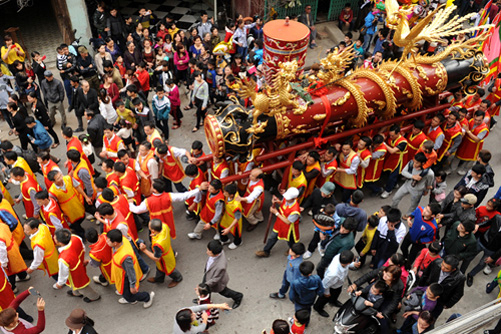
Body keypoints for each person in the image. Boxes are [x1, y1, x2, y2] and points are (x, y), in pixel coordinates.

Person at [106, 229, 154, 307]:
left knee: (129, 295)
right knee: (126, 292)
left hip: (125, 277)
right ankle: (127, 295)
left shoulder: (125, 257)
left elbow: (130, 272)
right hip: (121, 274)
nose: (106, 242)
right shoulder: (122, 239)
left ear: (115, 243)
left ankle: (146, 297)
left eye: (108, 241)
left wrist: (132, 286)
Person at [53, 229, 101, 302]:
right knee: (77, 285)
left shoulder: (63, 258)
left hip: (75, 274)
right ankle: (76, 293)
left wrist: (59, 283)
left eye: (55, 237)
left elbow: (63, 273)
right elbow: (83, 249)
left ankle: (94, 297)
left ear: (59, 242)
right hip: (80, 264)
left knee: (82, 287)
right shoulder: (75, 237)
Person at [256, 188, 301, 258]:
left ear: (294, 198)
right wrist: (278, 201)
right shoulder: (287, 199)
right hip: (279, 224)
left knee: (290, 241)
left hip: (289, 228)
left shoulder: (295, 210)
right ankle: (266, 251)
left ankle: (292, 250)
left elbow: (288, 222)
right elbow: (283, 205)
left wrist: (276, 213)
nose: (285, 198)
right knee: (272, 237)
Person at [314, 250, 360, 317]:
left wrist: (353, 264)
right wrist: (327, 293)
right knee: (324, 298)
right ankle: (318, 307)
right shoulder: (333, 273)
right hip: (331, 286)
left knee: (336, 293)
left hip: (338, 284)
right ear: (348, 262)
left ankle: (333, 301)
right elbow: (325, 284)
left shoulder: (340, 257)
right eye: (353, 260)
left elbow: (347, 265)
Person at [138, 219, 183, 287]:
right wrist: (154, 234)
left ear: (153, 230)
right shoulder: (164, 226)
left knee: (170, 270)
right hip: (167, 251)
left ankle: (178, 278)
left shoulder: (158, 244)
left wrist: (144, 250)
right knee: (159, 268)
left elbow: (156, 258)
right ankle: (159, 278)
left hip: (164, 258)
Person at [47, 170, 89, 239]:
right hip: (67, 210)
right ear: (53, 181)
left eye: (60, 175)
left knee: (82, 216)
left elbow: (77, 187)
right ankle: (81, 234)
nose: (61, 178)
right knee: (75, 223)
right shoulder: (52, 192)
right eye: (58, 178)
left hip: (75, 203)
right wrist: (62, 213)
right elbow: (55, 204)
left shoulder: (68, 178)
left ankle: (74, 227)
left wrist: (86, 197)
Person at [391, 153, 435, 217]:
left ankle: (409, 214)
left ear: (422, 163)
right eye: (414, 162)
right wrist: (412, 176)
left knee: (413, 204)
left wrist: (426, 190)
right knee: (396, 197)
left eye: (417, 163)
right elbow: (403, 172)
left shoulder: (430, 173)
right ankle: (393, 210)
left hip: (417, 190)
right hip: (407, 185)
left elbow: (429, 183)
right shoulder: (411, 163)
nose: (414, 164)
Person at [202, 240, 244, 309]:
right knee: (205, 289)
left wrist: (206, 284)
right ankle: (205, 301)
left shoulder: (220, 266)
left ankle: (238, 296)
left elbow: (216, 279)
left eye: (209, 252)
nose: (207, 252)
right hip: (208, 275)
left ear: (217, 254)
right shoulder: (218, 250)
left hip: (217, 282)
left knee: (225, 292)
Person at [289, 261, 324, 326]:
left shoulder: (295, 282)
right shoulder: (317, 278)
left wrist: (293, 300)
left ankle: (299, 324)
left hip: (300, 301)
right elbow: (321, 291)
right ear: (310, 273)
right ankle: (306, 323)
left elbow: (292, 295)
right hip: (311, 300)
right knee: (308, 311)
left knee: (299, 313)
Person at [456, 110, 489, 174]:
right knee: (460, 153)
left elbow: (477, 139)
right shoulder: (471, 120)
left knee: (471, 158)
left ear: (483, 119)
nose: (477, 121)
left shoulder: (484, 129)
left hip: (475, 145)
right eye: (475, 119)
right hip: (466, 141)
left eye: (479, 120)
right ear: (474, 116)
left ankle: (465, 170)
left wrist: (468, 131)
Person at [0, 222, 29, 293]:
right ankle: (23, 276)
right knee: (17, 264)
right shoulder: (2, 225)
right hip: (12, 247)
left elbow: (2, 252)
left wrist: (4, 264)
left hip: (7, 255)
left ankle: (13, 287)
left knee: (10, 272)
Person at [219, 183, 243, 249]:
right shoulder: (232, 194)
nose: (224, 194)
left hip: (234, 221)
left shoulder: (236, 205)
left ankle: (237, 242)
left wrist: (229, 228)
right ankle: (225, 239)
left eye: (225, 193)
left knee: (236, 234)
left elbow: (237, 218)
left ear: (231, 195)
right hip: (227, 216)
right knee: (221, 227)